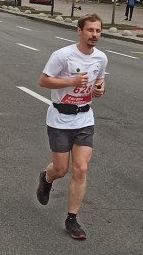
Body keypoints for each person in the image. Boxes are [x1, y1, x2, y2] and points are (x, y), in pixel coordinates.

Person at [35, 13, 107, 240]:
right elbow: (44, 80)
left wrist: (99, 90)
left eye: (98, 31)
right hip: (59, 118)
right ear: (79, 31)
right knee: (60, 169)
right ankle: (46, 179)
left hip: (84, 118)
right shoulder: (63, 55)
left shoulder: (101, 58)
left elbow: (100, 82)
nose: (94, 35)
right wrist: (71, 82)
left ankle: (72, 219)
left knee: (81, 168)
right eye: (90, 30)